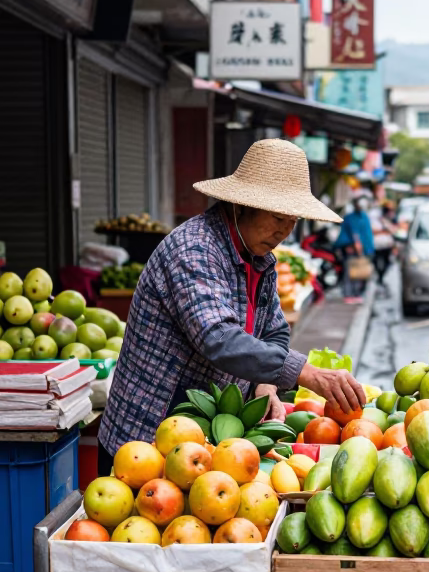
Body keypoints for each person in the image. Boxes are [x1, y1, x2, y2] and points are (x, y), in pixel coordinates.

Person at [98, 139, 366, 465]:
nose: (285, 230)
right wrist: (306, 372)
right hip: (146, 441)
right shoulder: (194, 249)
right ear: (241, 207)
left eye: (293, 221)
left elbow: (274, 331)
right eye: (278, 217)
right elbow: (219, 338)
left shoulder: (258, 257)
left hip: (205, 441)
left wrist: (265, 384)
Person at [335, 197, 375, 302]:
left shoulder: (364, 216)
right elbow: (355, 234)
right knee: (350, 273)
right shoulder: (351, 218)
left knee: (359, 273)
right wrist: (358, 249)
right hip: (352, 249)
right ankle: (348, 295)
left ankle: (356, 294)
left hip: (364, 250)